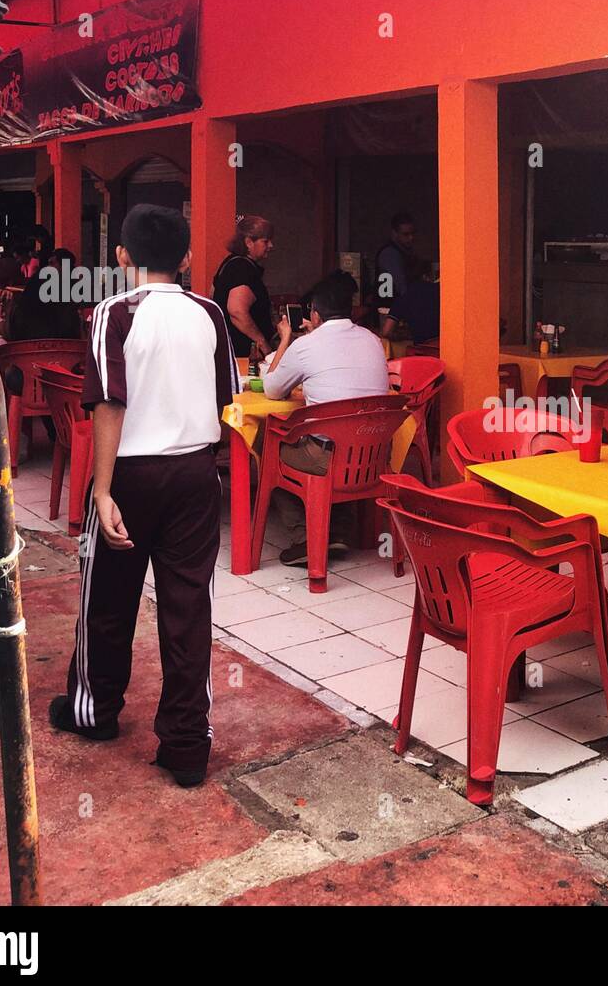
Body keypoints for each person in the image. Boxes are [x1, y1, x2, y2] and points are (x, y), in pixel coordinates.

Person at [49, 204, 237, 789]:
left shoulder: (113, 312)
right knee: (188, 606)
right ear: (185, 258)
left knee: (108, 597)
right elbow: (226, 395)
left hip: (129, 472)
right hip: (194, 474)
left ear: (122, 257)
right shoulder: (209, 312)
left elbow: (108, 401)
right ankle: (186, 746)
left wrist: (101, 490)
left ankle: (95, 711)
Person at [263, 270, 389, 566]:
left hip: (328, 457)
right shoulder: (372, 339)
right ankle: (340, 533)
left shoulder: (306, 345)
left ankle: (304, 538)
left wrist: (285, 340)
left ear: (314, 314)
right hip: (372, 454)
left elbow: (272, 389)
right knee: (339, 439)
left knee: (272, 449)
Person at [212, 214, 276, 359]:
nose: (271, 246)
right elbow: (236, 311)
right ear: (248, 242)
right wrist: (263, 344)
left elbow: (213, 294)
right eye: (265, 241)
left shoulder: (228, 263)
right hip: (244, 354)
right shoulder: (242, 269)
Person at [379, 256, 439, 345]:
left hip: (421, 351)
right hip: (442, 349)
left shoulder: (405, 297)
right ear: (427, 276)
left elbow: (386, 332)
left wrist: (405, 335)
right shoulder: (441, 292)